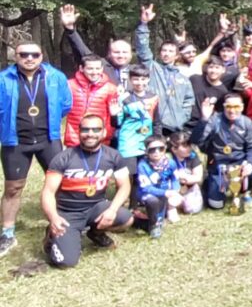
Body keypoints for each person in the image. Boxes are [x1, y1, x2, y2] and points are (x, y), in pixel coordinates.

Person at [0, 42, 72, 258]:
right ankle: (7, 233)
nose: (29, 58)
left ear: (41, 56)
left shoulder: (55, 77)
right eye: (24, 54)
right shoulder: (4, 79)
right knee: (13, 187)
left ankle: (61, 224)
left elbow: (66, 104)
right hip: (16, 142)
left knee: (60, 183)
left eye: (34, 54)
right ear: (16, 56)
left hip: (48, 140)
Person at [41, 114, 134, 268]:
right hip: (68, 214)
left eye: (96, 129)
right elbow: (48, 192)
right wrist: (54, 218)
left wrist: (112, 210)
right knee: (66, 262)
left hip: (96, 208)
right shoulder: (63, 158)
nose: (90, 133)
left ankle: (95, 233)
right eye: (85, 129)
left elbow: (124, 185)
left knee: (127, 219)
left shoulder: (113, 156)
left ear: (104, 132)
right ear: (79, 132)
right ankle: (52, 236)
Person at [192, 93, 252, 208]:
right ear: (224, 107)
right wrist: (204, 119)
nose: (232, 111)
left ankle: (240, 189)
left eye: (236, 107)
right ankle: (212, 183)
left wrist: (250, 164)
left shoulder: (247, 122)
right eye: (229, 107)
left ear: (242, 107)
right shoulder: (214, 120)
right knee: (216, 204)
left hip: (239, 164)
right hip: (219, 166)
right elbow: (196, 140)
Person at [135, 4, 195, 135]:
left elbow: (188, 102)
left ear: (177, 55)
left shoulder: (183, 79)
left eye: (170, 51)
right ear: (160, 53)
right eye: (164, 50)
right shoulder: (152, 68)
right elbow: (143, 49)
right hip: (152, 124)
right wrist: (144, 24)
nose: (166, 54)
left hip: (175, 128)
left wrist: (181, 119)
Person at [60, 4, 134, 92]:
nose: (121, 55)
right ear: (109, 53)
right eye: (116, 52)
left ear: (131, 54)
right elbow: (82, 51)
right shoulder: (100, 65)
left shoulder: (137, 71)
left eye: (125, 52)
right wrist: (70, 29)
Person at [110, 65, 161, 179]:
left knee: (145, 175)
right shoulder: (124, 98)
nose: (139, 82)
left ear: (148, 79)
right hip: (128, 142)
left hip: (146, 141)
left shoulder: (153, 97)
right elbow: (117, 124)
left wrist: (157, 139)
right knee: (128, 176)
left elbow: (156, 121)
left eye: (143, 79)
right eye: (136, 79)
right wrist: (113, 115)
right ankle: (127, 197)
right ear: (130, 79)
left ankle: (140, 197)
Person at [65, 55, 119, 147]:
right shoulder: (69, 85)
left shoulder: (111, 88)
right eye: (90, 69)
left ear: (102, 69)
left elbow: (113, 116)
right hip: (74, 139)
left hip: (99, 139)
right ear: (81, 68)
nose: (94, 72)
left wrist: (107, 134)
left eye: (97, 68)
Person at [136, 135, 181, 238]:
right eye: (152, 150)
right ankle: (153, 226)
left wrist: (176, 189)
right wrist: (165, 193)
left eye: (160, 149)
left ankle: (157, 217)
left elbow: (174, 178)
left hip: (165, 192)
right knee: (152, 202)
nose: (157, 152)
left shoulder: (171, 163)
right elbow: (146, 188)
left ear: (165, 148)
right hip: (148, 193)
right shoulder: (142, 165)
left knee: (160, 215)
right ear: (146, 151)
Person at [187, 56, 229, 132]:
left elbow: (218, 113)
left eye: (217, 68)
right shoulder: (195, 79)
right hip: (184, 120)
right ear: (206, 68)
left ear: (223, 70)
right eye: (211, 67)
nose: (213, 70)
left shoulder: (223, 91)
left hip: (200, 125)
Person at [169, 131, 204, 215]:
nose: (189, 148)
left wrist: (183, 177)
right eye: (185, 146)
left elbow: (198, 177)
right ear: (174, 149)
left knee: (192, 209)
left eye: (189, 145)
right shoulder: (167, 158)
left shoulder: (193, 156)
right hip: (172, 189)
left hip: (189, 187)